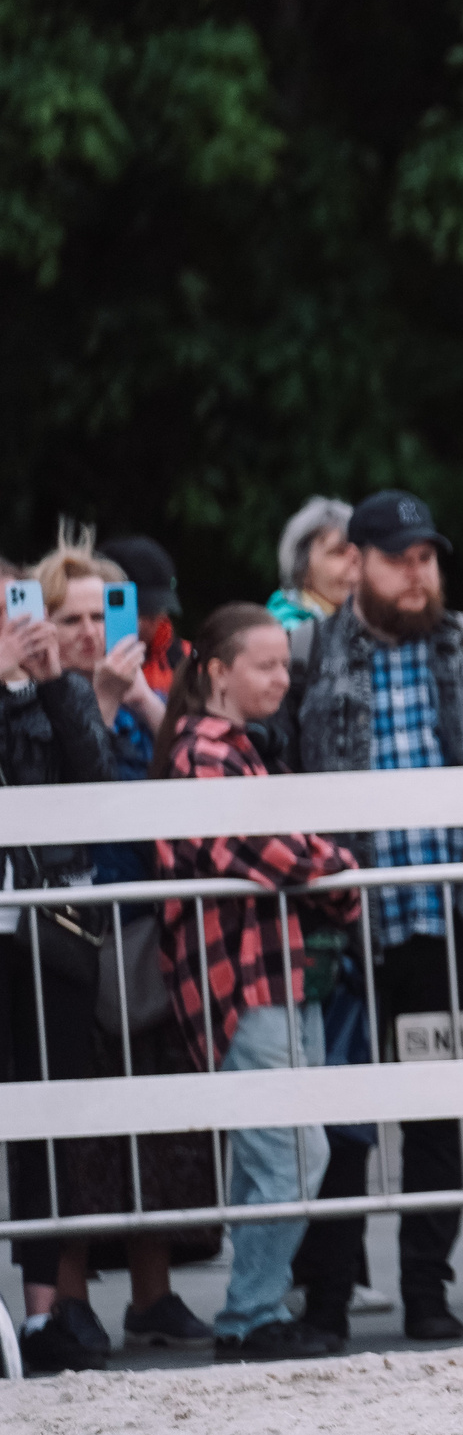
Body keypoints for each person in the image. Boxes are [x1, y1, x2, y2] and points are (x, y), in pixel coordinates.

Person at [268, 487, 463, 1342]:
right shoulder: (306, 651)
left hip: (445, 918)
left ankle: (427, 1290)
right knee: (341, 1119)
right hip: (340, 925)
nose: (417, 574)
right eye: (398, 559)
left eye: (426, 558)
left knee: (437, 1115)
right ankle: (328, 1298)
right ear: (356, 562)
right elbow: (275, 773)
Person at [151, 603, 360, 1360]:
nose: (282, 679)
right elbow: (271, 851)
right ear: (217, 670)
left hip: (269, 970)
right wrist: (343, 871)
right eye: (265, 665)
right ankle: (250, 1314)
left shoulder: (233, 746)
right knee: (294, 1154)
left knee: (270, 1153)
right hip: (242, 975)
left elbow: (280, 851)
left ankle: (253, 1309)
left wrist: (321, 867)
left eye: (285, 665)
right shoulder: (205, 750)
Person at [2, 586, 135, 1374]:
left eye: (18, 607)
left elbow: (95, 780)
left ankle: (43, 1312)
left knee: (49, 1116)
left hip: (53, 927)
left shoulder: (60, 688)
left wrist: (50, 684)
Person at [38, 532, 161, 883]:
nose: (89, 632)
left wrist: (146, 702)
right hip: (79, 897)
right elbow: (77, 796)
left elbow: (191, 763)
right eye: (71, 620)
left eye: (99, 616)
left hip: (147, 889)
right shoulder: (30, 706)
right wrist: (103, 701)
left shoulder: (140, 698)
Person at [97, 534, 188, 698]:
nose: (154, 621)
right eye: (140, 611)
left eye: (158, 610)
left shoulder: (187, 661)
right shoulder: (75, 663)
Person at [266, 497, 360, 630]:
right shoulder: (284, 633)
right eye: (338, 552)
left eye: (358, 551)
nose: (353, 563)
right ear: (302, 566)